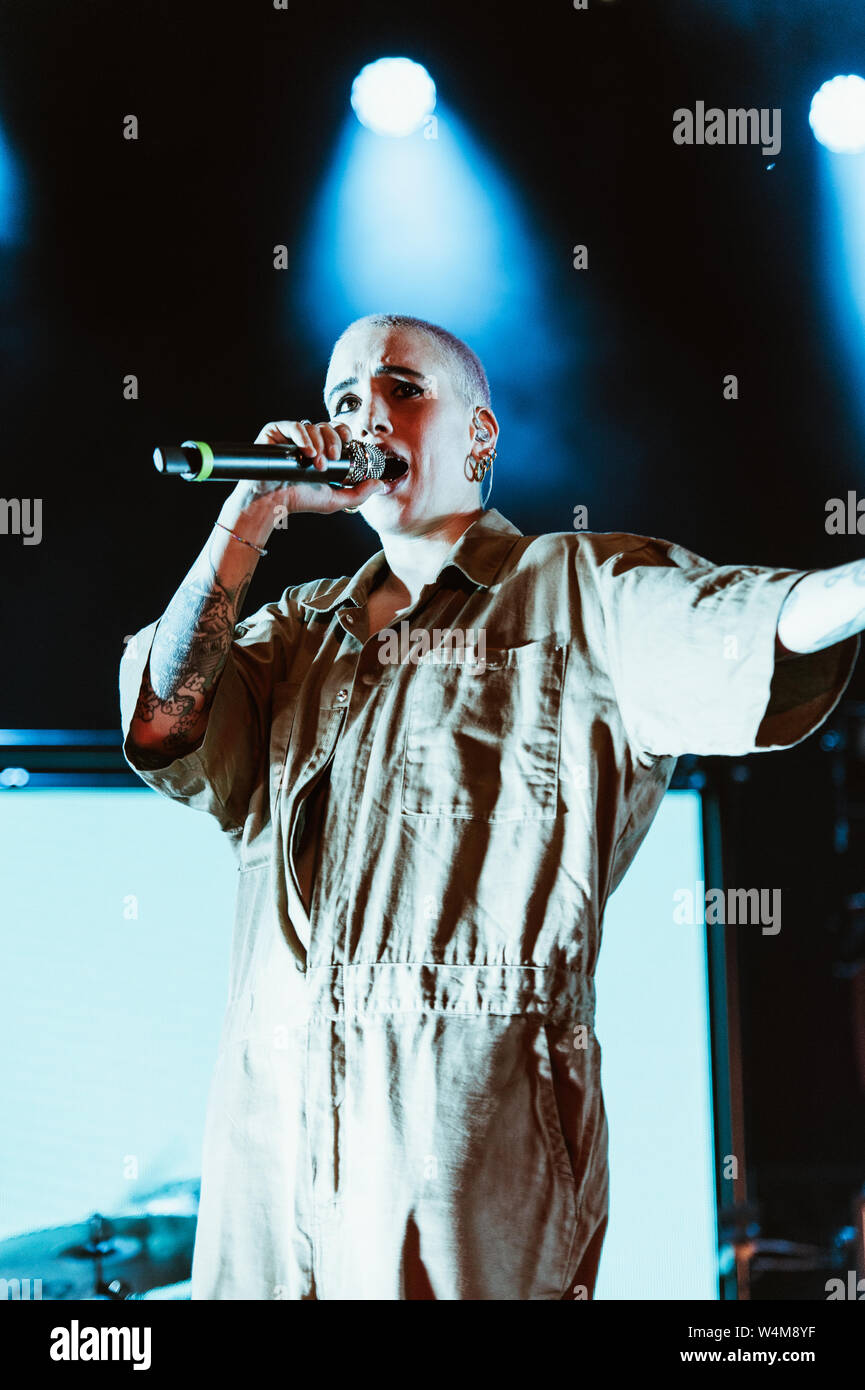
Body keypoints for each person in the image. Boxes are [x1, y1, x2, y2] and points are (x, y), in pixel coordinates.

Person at [119, 313, 861, 1300]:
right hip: (266, 1140)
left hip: (460, 1132)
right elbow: (163, 718)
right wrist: (246, 519)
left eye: (403, 390)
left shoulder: (576, 592)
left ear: (478, 435)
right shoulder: (297, 633)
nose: (366, 417)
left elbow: (752, 619)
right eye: (344, 399)